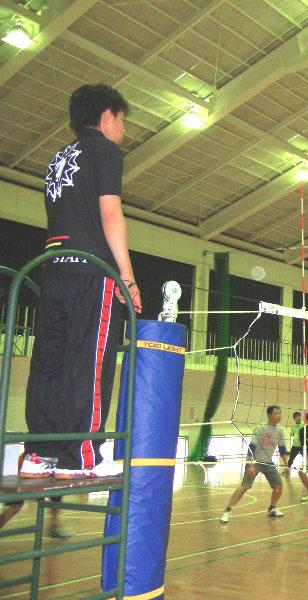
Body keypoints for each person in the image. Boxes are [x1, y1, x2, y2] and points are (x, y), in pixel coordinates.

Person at [21, 84, 142, 480]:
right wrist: (127, 277)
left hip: (53, 271)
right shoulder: (105, 151)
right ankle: (82, 455)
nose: (122, 130)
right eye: (121, 121)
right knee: (89, 364)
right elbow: (110, 214)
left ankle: (40, 452)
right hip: (92, 273)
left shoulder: (58, 157)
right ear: (107, 116)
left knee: (50, 363)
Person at [220, 405, 290, 523]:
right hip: (255, 461)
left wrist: (287, 466)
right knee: (245, 486)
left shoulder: (280, 429)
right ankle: (226, 511)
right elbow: (251, 448)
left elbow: (282, 449)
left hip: (268, 462)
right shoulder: (261, 428)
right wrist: (251, 465)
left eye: (280, 413)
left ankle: (272, 508)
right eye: (276, 413)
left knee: (278, 486)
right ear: (269, 415)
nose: (279, 415)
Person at [285, 411, 304, 475]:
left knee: (306, 458)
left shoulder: (304, 424)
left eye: (299, 416)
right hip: (295, 445)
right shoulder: (293, 426)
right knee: (291, 458)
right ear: (294, 418)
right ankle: (287, 469)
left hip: (302, 445)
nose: (298, 417)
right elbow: (293, 435)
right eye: (296, 416)